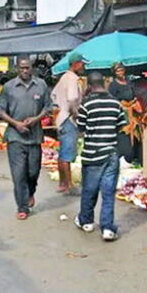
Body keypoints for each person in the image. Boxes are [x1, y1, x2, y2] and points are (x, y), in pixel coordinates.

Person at [0, 58, 52, 219]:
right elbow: (0, 110)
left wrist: (35, 119)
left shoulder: (40, 85)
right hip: (15, 137)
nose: (25, 71)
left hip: (35, 136)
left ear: (32, 68)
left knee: (33, 171)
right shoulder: (9, 87)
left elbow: (48, 107)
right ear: (17, 69)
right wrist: (16, 124)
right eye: (22, 68)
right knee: (18, 173)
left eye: (27, 68)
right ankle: (22, 207)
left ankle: (30, 192)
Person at [75, 72, 127, 241]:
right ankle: (107, 228)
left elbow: (81, 128)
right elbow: (121, 125)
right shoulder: (115, 103)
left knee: (89, 189)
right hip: (111, 152)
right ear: (104, 83)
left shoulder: (86, 104)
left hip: (92, 154)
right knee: (108, 192)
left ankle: (86, 221)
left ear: (89, 86)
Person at [52, 52, 86, 192]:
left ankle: (63, 183)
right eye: (82, 63)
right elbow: (72, 99)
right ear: (75, 64)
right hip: (68, 119)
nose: (83, 66)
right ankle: (69, 185)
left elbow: (53, 95)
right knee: (67, 153)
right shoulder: (72, 79)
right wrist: (76, 114)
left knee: (63, 152)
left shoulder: (64, 78)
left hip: (61, 117)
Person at [108, 62, 139, 164]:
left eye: (121, 70)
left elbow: (134, 95)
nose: (120, 72)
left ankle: (135, 156)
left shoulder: (129, 82)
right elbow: (113, 101)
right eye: (118, 71)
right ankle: (125, 157)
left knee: (136, 134)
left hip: (133, 112)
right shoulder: (113, 85)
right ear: (114, 73)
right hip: (121, 114)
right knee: (124, 135)